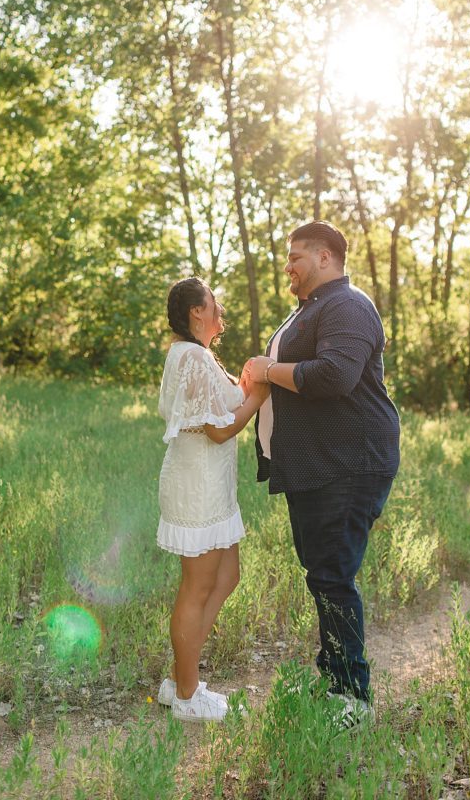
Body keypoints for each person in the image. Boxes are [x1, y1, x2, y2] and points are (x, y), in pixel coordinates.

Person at [245, 221, 400, 723]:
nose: (287, 267)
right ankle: (334, 682)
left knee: (332, 577)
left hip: (348, 465)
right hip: (318, 466)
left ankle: (352, 700)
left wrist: (268, 370)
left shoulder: (347, 306)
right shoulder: (313, 309)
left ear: (326, 258)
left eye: (295, 257)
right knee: (324, 576)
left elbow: (334, 376)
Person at [156, 276, 269, 722]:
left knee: (226, 577)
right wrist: (258, 397)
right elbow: (219, 428)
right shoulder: (192, 358)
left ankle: (178, 680)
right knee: (198, 585)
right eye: (213, 301)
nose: (220, 306)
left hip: (214, 485)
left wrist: (246, 383)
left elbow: (222, 404)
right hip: (196, 485)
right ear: (196, 312)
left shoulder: (199, 357)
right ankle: (186, 696)